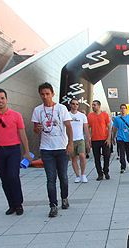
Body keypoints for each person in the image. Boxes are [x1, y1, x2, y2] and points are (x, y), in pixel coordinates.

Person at [0, 88, 31, 215]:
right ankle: (12, 205)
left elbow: (22, 133)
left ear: (6, 99)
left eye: (2, 98)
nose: (0, 101)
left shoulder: (16, 115)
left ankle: (18, 204)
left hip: (13, 150)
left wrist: (27, 151)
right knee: (4, 179)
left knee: (13, 176)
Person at [32, 82, 73, 218]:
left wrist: (70, 144)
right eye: (42, 94)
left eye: (47, 94)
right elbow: (35, 129)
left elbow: (68, 126)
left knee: (64, 177)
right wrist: (37, 129)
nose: (45, 97)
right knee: (51, 179)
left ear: (53, 94)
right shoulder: (38, 110)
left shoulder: (61, 108)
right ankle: (53, 205)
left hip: (61, 148)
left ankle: (64, 198)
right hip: (46, 149)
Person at [88, 100, 111, 180]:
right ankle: (100, 174)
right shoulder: (90, 116)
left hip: (104, 139)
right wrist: (89, 139)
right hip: (95, 140)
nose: (93, 106)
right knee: (96, 158)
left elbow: (109, 127)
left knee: (107, 156)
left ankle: (106, 171)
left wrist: (109, 139)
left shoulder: (105, 115)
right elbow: (88, 128)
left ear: (99, 106)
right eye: (92, 105)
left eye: (94, 105)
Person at [69, 98, 90, 183]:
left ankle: (83, 174)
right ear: (70, 105)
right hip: (70, 140)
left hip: (80, 139)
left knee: (82, 155)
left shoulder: (82, 116)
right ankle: (77, 175)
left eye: (77, 104)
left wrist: (88, 140)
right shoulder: (66, 115)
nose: (75, 105)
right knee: (74, 158)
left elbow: (86, 129)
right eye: (73, 104)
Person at [112, 103, 129, 173]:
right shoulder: (117, 118)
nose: (123, 110)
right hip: (120, 138)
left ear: (126, 109)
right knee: (121, 154)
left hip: (128, 138)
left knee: (128, 153)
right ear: (120, 109)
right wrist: (113, 137)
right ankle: (123, 167)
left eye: (124, 108)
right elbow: (114, 128)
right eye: (121, 108)